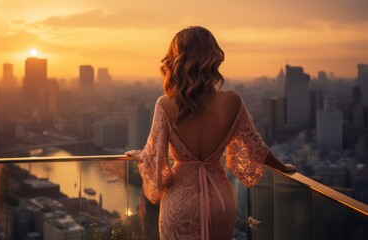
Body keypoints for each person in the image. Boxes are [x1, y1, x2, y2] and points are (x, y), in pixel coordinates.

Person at [125, 26, 296, 240]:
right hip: (220, 203)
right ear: (213, 58)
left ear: (176, 60)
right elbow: (255, 147)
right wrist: (281, 167)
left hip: (180, 204)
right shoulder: (232, 101)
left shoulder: (165, 104)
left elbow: (155, 161)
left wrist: (140, 156)